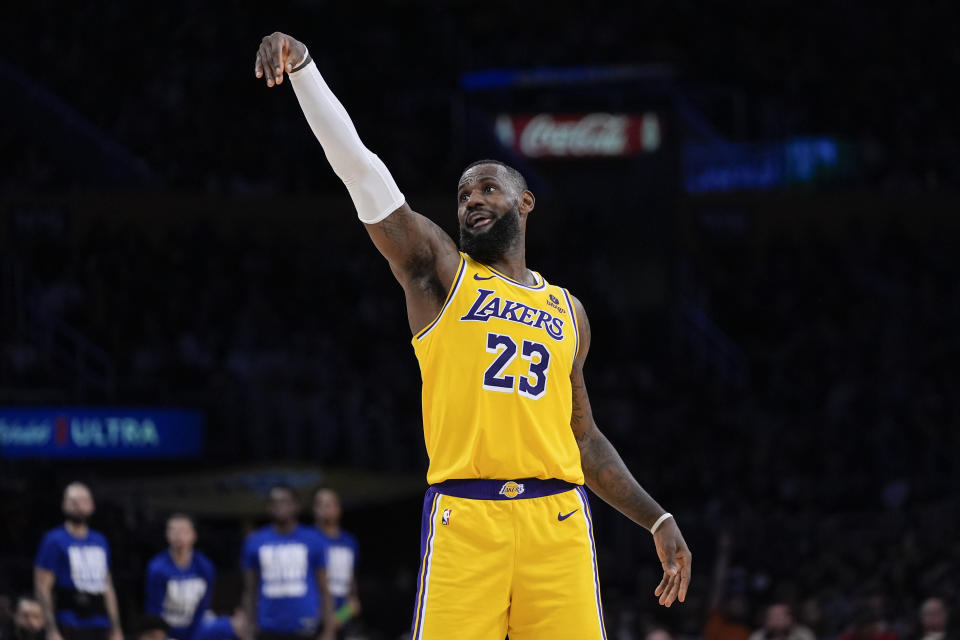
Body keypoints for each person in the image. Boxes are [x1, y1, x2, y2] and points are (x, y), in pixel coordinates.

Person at [253, 31, 692, 640]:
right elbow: (364, 173)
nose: (471, 201)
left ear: (525, 202)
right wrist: (305, 72)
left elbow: (584, 439)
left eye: (488, 188)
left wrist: (657, 518)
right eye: (463, 194)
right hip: (468, 517)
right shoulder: (441, 275)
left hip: (558, 520)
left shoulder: (568, 311)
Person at [241, 485, 334, 640]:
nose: (280, 506)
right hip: (268, 628)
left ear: (296, 505)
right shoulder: (255, 541)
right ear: (268, 507)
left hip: (307, 628)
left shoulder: (315, 539)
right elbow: (250, 589)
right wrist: (248, 627)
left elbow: (325, 589)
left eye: (285, 501)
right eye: (275, 502)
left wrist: (329, 630)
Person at [34, 483, 124, 640]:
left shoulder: (100, 540)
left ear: (92, 505)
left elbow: (107, 586)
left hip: (100, 620)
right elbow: (42, 586)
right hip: (69, 620)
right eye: (73, 501)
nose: (78, 506)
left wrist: (116, 628)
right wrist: (51, 629)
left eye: (83, 500)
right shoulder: (54, 540)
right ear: (64, 504)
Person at [144, 514, 216, 640]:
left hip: (196, 624)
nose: (178, 535)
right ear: (167, 535)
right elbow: (154, 612)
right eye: (173, 530)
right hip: (167, 628)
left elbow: (204, 606)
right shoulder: (157, 568)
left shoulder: (205, 566)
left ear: (193, 535)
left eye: (183, 531)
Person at [311, 489, 360, 637]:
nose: (327, 508)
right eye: (322, 504)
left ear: (339, 509)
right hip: (312, 617)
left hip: (340, 619)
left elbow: (354, 601)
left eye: (331, 504)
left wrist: (338, 619)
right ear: (314, 510)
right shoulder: (308, 539)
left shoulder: (349, 542)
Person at [749, 604, 815, 640]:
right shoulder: (758, 636)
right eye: (773, 616)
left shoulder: (803, 635)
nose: (777, 620)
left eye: (780, 616)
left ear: (790, 618)